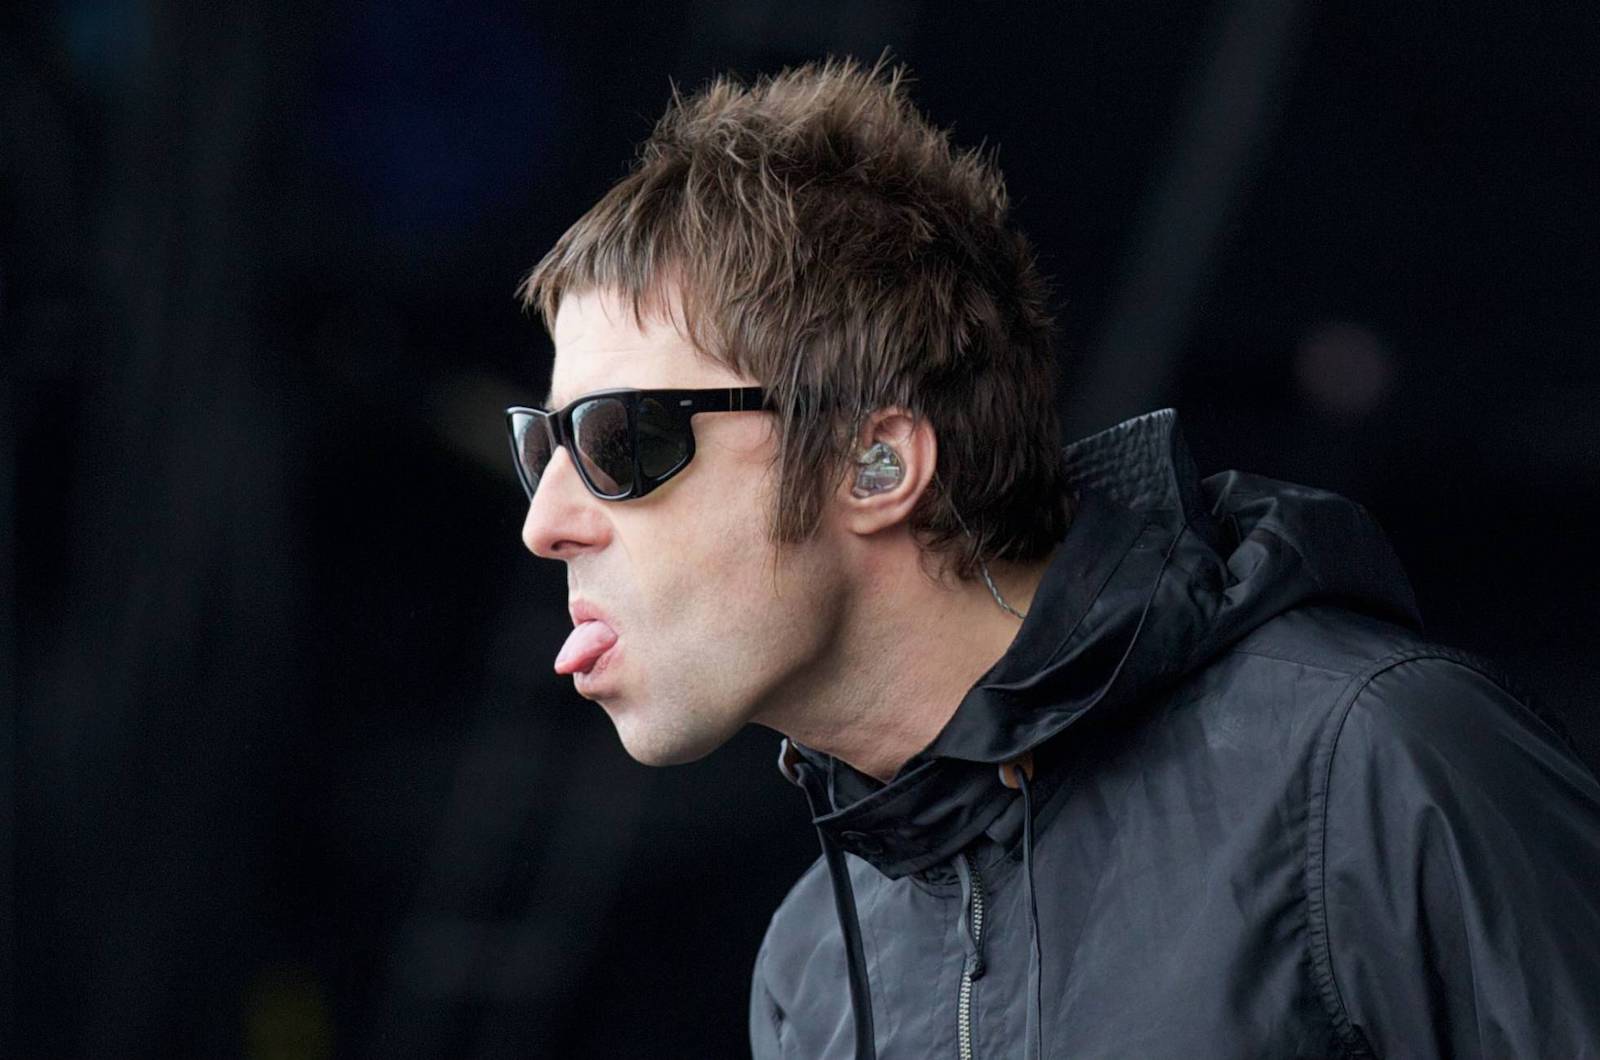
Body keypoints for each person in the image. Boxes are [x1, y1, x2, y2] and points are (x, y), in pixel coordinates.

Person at [504, 57, 1600, 1058]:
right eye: (542, 446)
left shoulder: (1376, 765)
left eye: (619, 440)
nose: (545, 521)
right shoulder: (815, 971)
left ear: (875, 464)